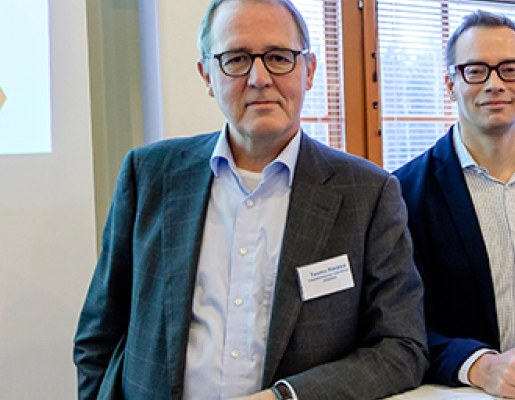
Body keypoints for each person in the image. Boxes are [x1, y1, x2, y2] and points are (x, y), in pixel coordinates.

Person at [73, 0, 428, 398]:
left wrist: (286, 397)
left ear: (309, 70)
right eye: (237, 59)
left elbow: (401, 348)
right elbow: (98, 336)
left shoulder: (368, 193)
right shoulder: (150, 175)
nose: (259, 78)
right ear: (207, 75)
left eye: (279, 57)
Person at [393, 10, 515, 399]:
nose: (495, 84)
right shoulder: (406, 191)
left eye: (510, 69)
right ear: (450, 83)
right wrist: (479, 365)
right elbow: (402, 324)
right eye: (476, 71)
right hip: (466, 393)